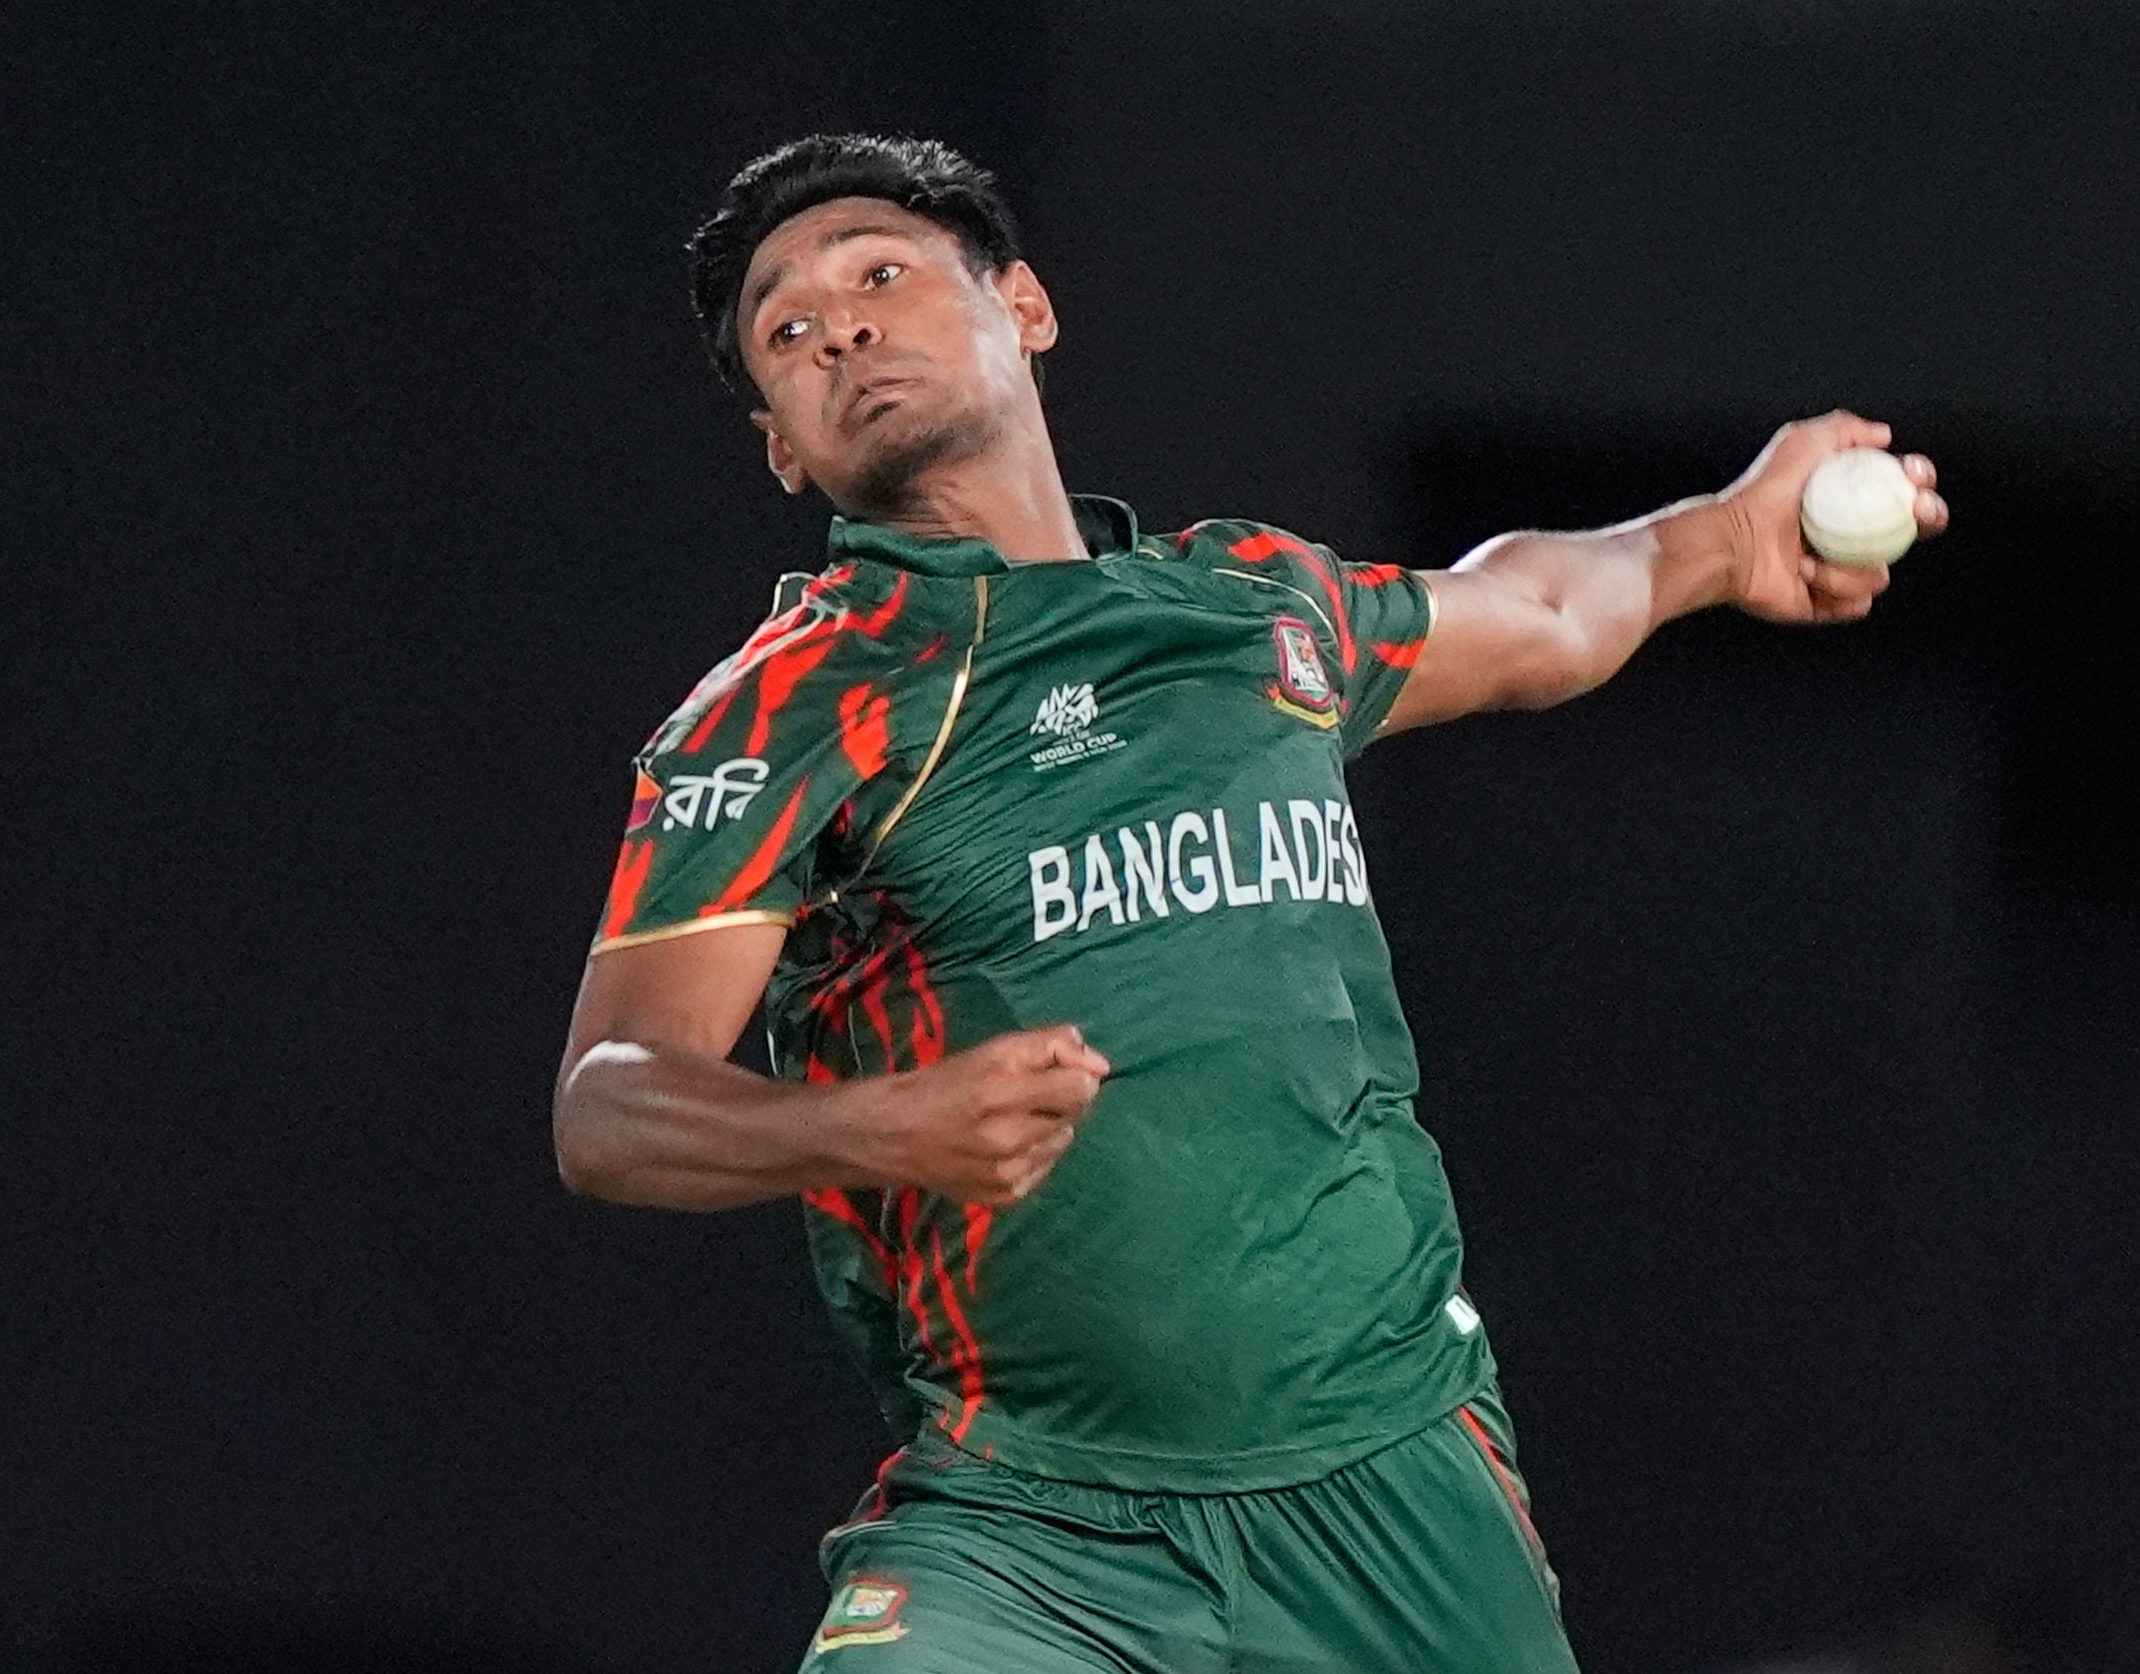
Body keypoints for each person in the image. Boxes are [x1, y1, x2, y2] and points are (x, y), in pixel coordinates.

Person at [551, 134, 1945, 1673]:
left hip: (1399, 1481)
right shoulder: (794, 702)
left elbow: (1542, 609)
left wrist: (1722, 535)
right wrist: (870, 1126)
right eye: (787, 333)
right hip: (1033, 1527)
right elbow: (610, 1104)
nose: (842, 331)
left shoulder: (1250, 610)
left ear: (1023, 307)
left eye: (878, 274)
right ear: (783, 453)